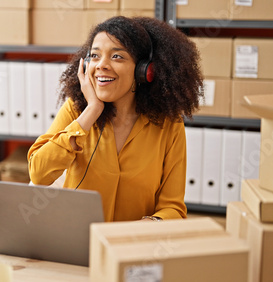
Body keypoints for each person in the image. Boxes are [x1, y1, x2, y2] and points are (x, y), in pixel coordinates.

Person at [27, 16, 203, 222]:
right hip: (76, 243)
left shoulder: (169, 124)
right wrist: (91, 111)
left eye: (117, 57)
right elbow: (38, 174)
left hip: (131, 247)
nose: (101, 65)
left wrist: (147, 226)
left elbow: (173, 208)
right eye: (94, 56)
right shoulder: (77, 111)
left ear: (144, 71)